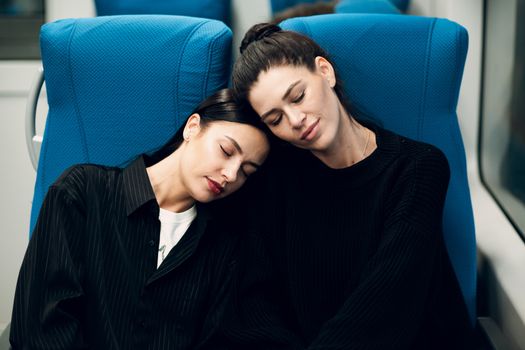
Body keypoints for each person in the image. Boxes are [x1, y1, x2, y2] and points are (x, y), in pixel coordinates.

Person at [227, 23, 475, 349]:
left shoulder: (416, 168)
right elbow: (255, 297)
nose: (296, 120)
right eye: (275, 119)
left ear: (325, 72)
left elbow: (388, 300)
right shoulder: (274, 179)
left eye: (298, 96)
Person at [9, 88, 271, 349]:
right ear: (192, 127)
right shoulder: (82, 193)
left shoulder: (224, 244)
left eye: (246, 171)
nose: (231, 174)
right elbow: (40, 328)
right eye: (226, 151)